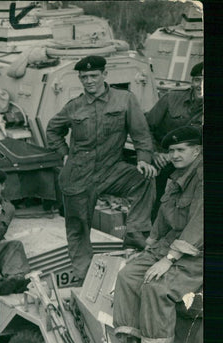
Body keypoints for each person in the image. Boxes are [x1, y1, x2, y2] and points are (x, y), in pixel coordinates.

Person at [46, 55, 156, 280]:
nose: (89, 81)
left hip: (111, 169)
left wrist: (144, 159)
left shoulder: (125, 100)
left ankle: (135, 235)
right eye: (84, 77)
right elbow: (52, 130)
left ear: (105, 75)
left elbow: (141, 134)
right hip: (78, 174)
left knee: (145, 178)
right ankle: (83, 275)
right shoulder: (74, 106)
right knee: (78, 227)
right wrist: (64, 155)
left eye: (93, 75)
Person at [111, 126, 202, 343]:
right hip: (169, 246)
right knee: (128, 275)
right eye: (171, 150)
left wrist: (169, 260)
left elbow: (200, 224)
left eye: (180, 149)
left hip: (197, 253)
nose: (174, 155)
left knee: (156, 287)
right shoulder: (177, 176)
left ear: (197, 151)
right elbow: (164, 217)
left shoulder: (204, 177)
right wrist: (150, 247)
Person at [146, 62, 203, 216]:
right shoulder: (171, 98)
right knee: (154, 193)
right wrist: (154, 153)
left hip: (194, 162)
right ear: (191, 82)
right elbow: (146, 127)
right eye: (198, 79)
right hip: (162, 157)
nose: (201, 85)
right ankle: (151, 226)